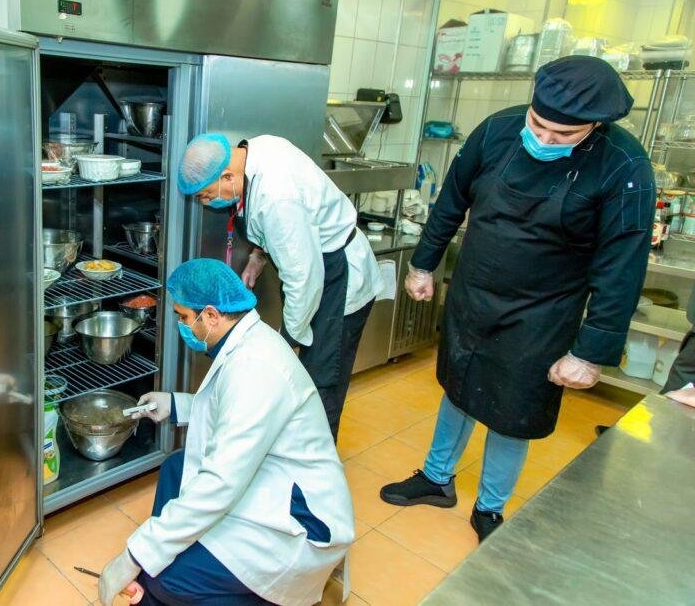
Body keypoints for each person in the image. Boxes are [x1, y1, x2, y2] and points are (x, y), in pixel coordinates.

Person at [379, 55, 655, 542]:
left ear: (596, 125)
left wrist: (590, 352)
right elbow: (451, 201)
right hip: (474, 291)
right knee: (457, 386)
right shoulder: (498, 129)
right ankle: (436, 479)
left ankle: (490, 508)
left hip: (543, 312)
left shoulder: (624, 166)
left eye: (562, 134)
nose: (544, 139)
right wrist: (424, 263)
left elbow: (622, 268)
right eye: (538, 124)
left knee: (514, 410)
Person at [98, 259, 354, 606]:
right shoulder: (246, 340)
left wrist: (135, 556)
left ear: (211, 315)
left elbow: (220, 483)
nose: (181, 325)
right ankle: (167, 559)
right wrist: (175, 405)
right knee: (176, 468)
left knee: (166, 581)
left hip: (301, 523)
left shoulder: (256, 367)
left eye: (184, 317)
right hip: (270, 477)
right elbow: (233, 411)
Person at [176, 134, 385, 438]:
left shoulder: (277, 197)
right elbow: (279, 228)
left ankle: (313, 462)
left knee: (320, 382)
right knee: (298, 378)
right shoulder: (254, 151)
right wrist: (257, 257)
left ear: (228, 176)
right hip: (315, 271)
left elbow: (304, 277)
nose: (207, 203)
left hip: (338, 277)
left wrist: (285, 341)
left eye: (206, 195)